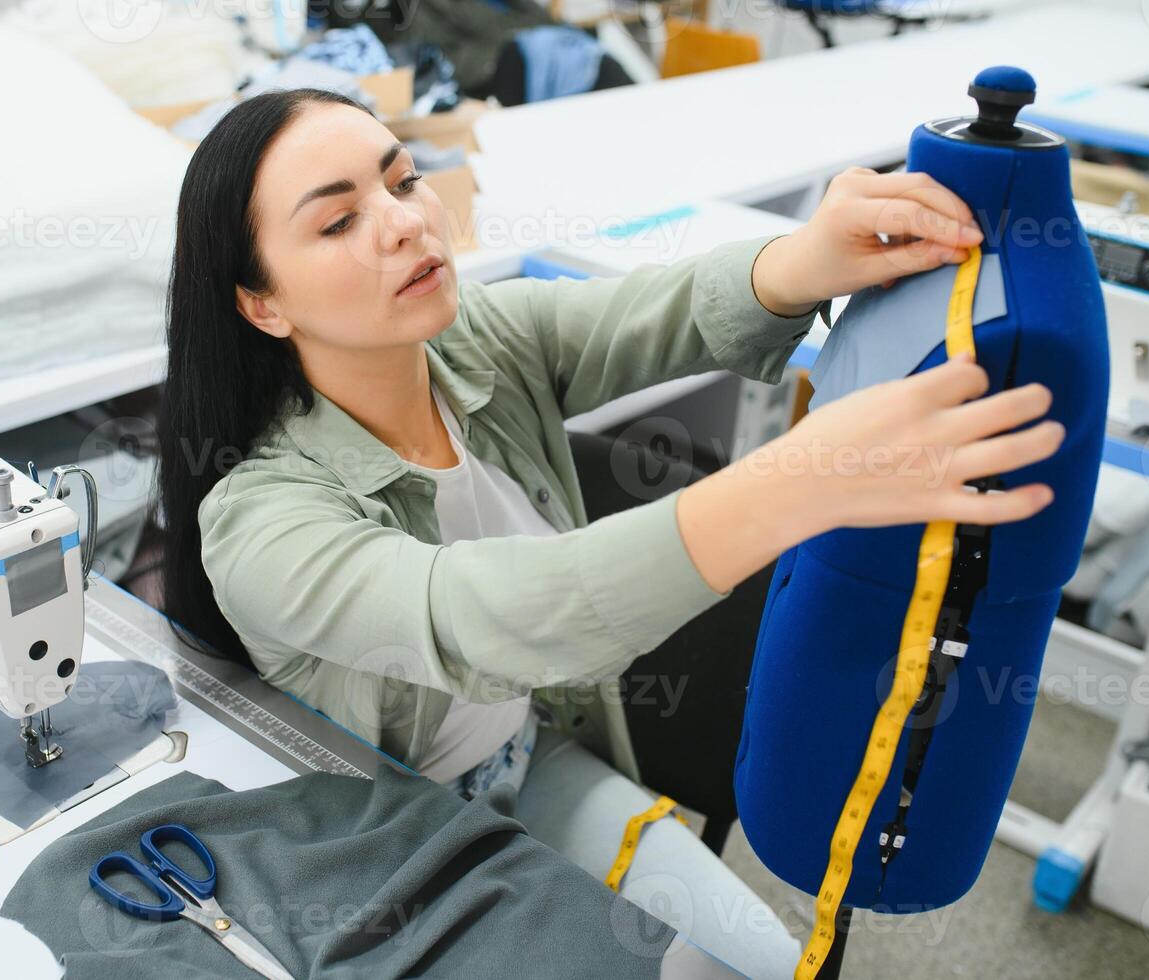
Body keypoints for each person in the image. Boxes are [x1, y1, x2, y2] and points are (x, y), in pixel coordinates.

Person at [155, 88, 1063, 977]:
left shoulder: (476, 343)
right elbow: (497, 620)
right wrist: (796, 482)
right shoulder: (261, 522)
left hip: (527, 759)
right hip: (389, 843)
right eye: (336, 222)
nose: (402, 223)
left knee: (764, 965)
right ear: (260, 304)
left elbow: (653, 314)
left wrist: (809, 256)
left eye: (400, 180)